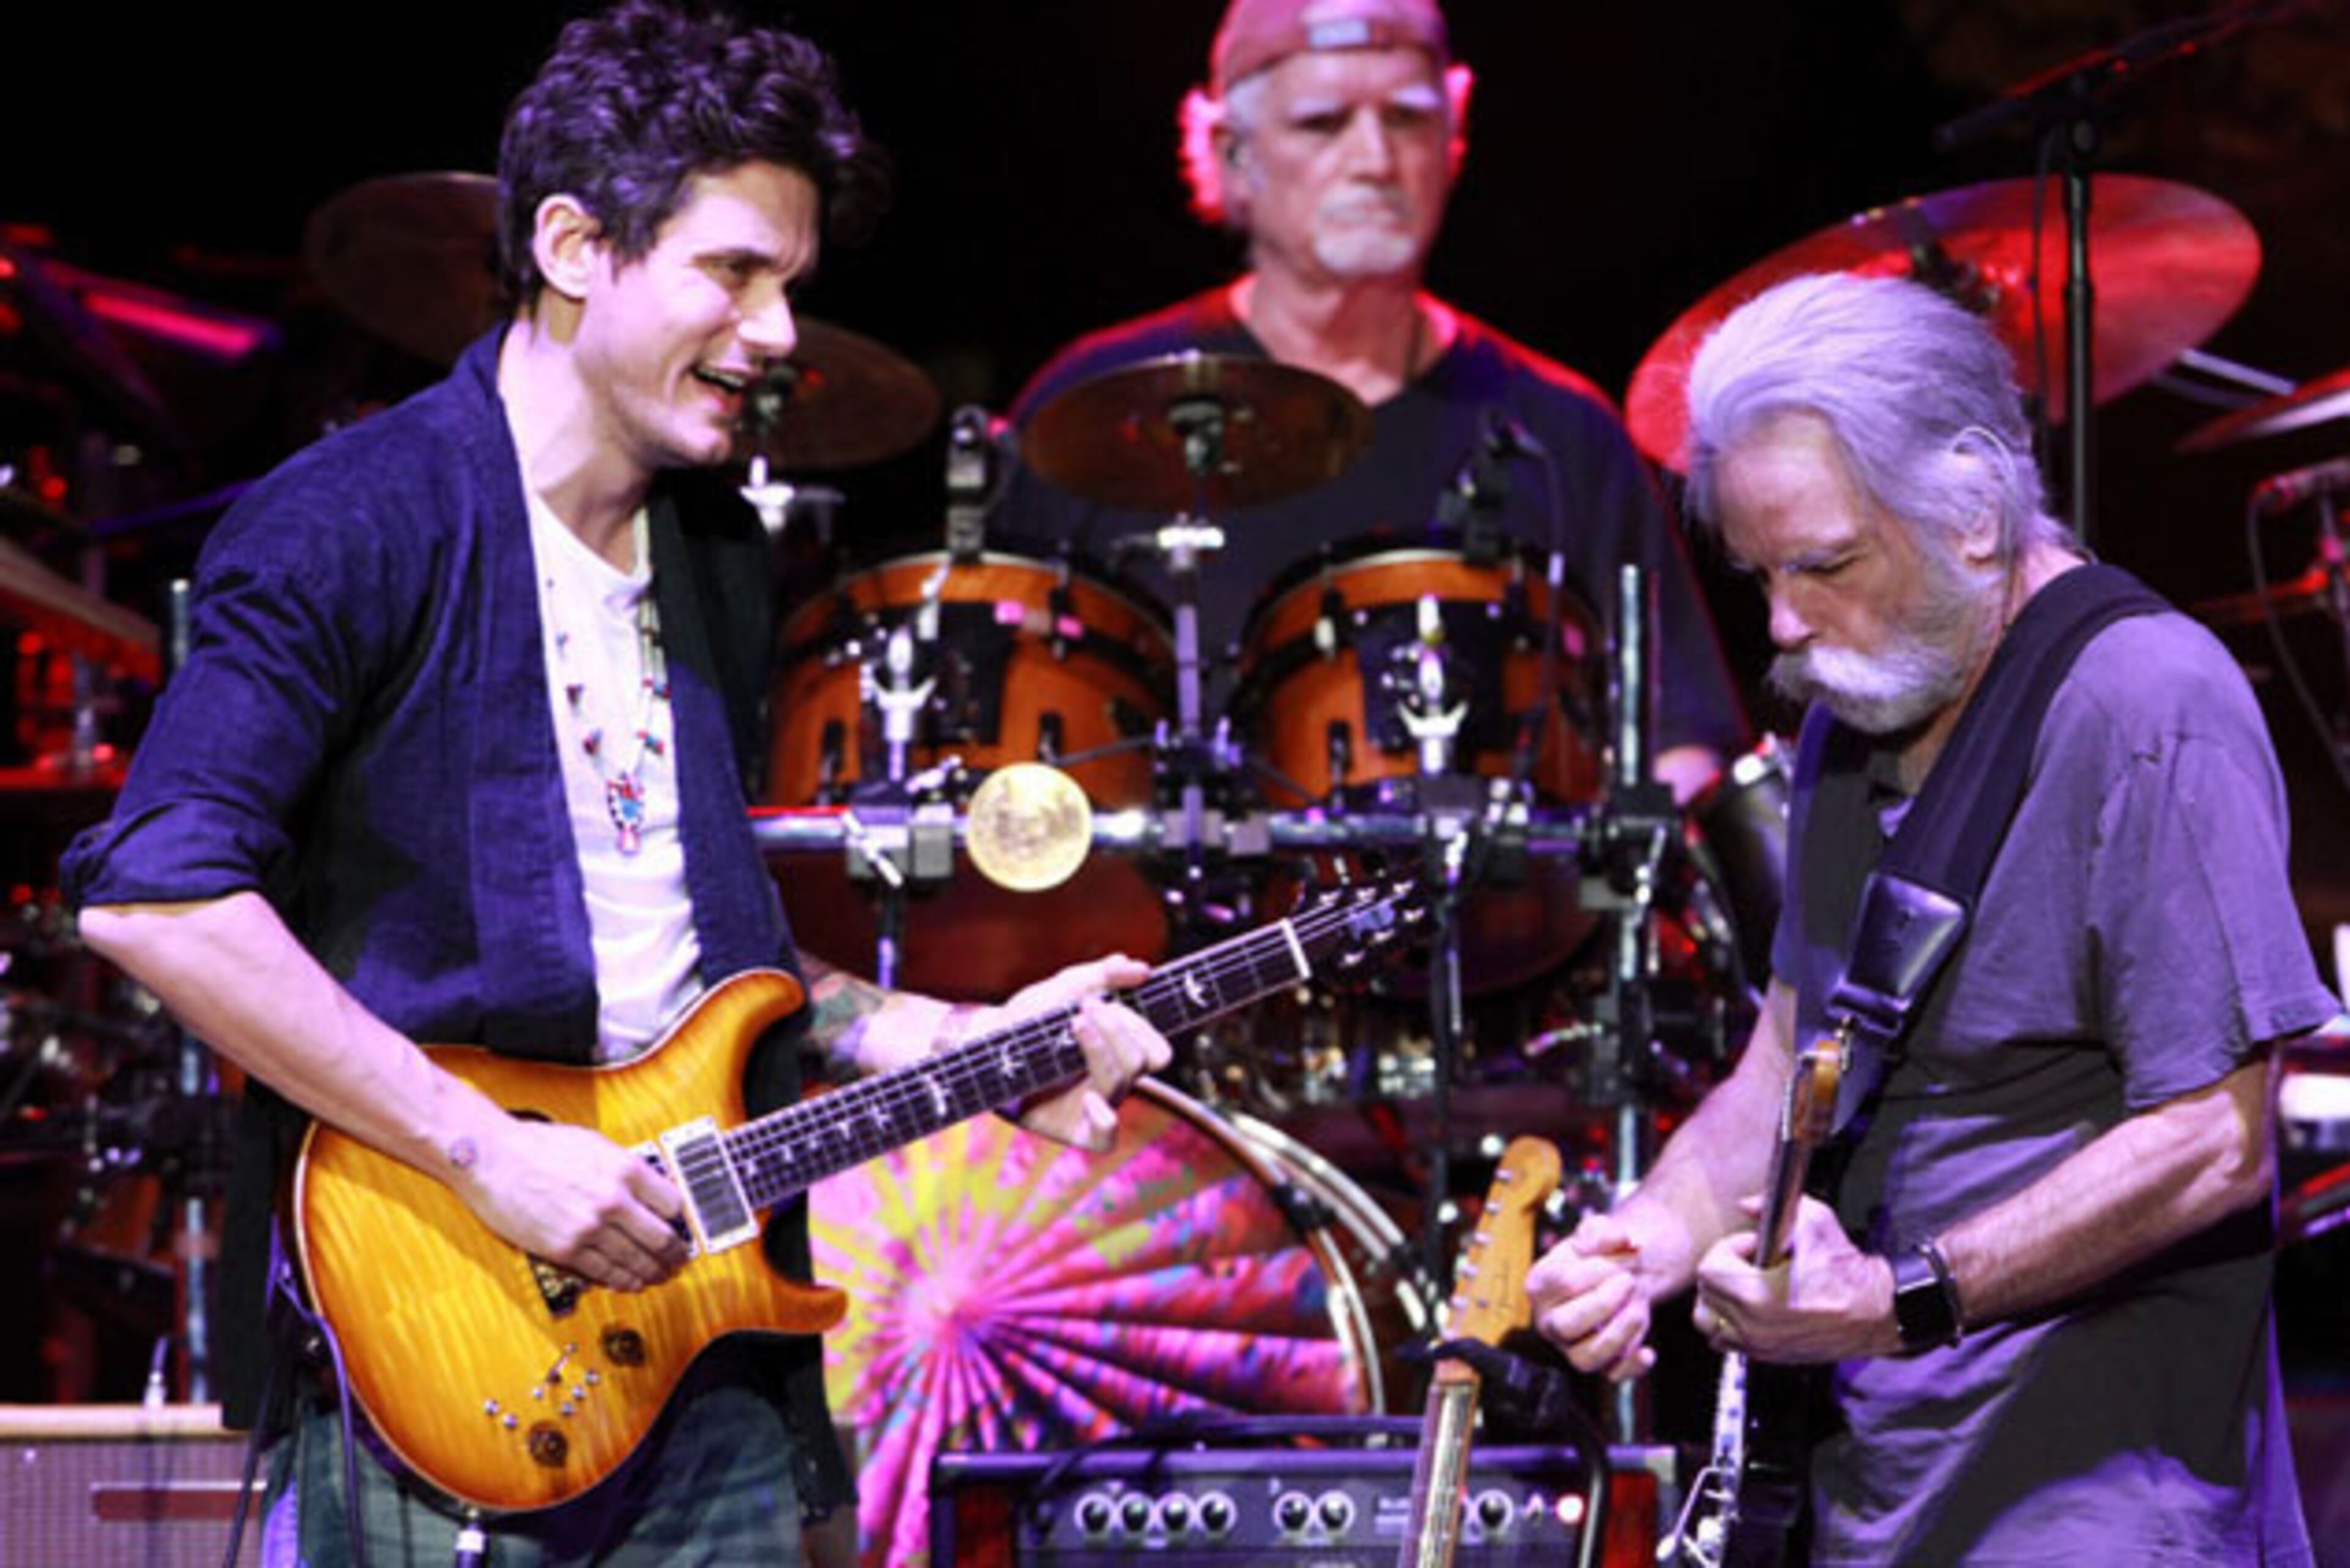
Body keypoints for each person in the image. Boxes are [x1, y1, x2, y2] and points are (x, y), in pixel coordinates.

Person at [61, 6, 1170, 1563]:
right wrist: (489, 1151)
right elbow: (158, 899)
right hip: (443, 1340)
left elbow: (712, 957)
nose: (782, 331)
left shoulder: (718, 550)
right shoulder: (354, 522)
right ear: (576, 246)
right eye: (735, 272)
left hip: (708, 1350)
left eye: (792, 282)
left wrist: (958, 1039)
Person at [1527, 271, 2337, 1563]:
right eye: (1761, 575)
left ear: (1970, 513)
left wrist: (1899, 1299)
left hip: (2099, 1511)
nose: (1784, 624)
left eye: (1826, 564)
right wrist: (1651, 1238)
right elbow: (1798, 1052)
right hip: (1877, 1494)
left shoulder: (2145, 704)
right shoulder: (1852, 715)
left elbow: (2215, 1139)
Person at [998, 0, 1745, 804]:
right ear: (1232, 154)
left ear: (1454, 137)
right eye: (1323, 125)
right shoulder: (1092, 411)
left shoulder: (1561, 432)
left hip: (1503, 925)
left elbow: (1681, 751)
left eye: (1408, 120)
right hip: (1158, 930)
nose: (1376, 160)